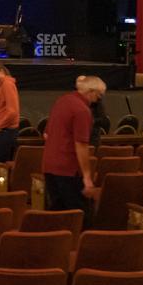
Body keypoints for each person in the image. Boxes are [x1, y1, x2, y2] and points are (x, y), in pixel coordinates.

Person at [42, 76, 104, 222]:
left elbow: (47, 134)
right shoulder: (82, 110)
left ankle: (55, 241)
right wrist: (87, 177)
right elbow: (81, 145)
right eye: (98, 95)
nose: (98, 100)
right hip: (68, 169)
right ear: (91, 91)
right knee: (79, 216)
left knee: (57, 211)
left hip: (49, 165)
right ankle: (79, 243)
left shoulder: (62, 100)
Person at [79, 75, 107, 148]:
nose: (99, 97)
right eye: (98, 94)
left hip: (93, 140)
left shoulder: (98, 103)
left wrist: (91, 121)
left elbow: (103, 120)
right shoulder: (75, 102)